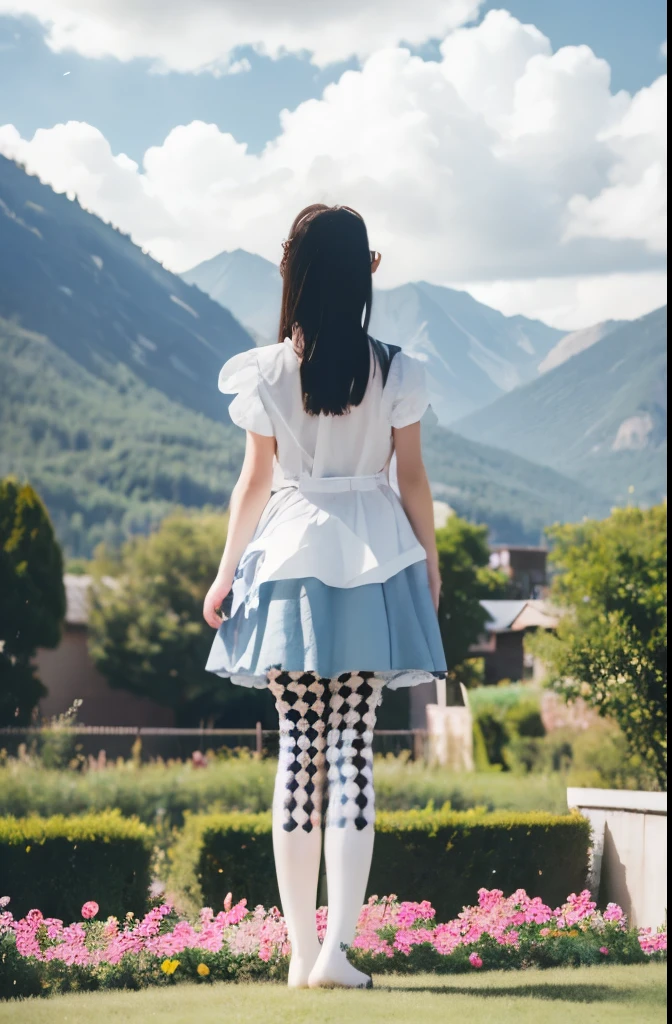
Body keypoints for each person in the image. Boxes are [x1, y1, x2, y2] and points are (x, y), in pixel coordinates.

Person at [203, 203, 446, 989]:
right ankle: (334, 953)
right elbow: (410, 479)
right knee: (352, 752)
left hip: (286, 558)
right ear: (366, 271)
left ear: (293, 274)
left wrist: (223, 572)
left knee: (299, 750)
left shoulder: (269, 372)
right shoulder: (396, 370)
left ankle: (303, 954)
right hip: (376, 557)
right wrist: (431, 566)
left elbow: (253, 485)